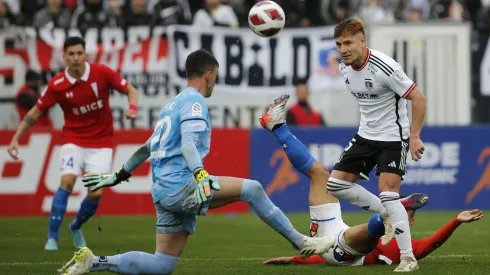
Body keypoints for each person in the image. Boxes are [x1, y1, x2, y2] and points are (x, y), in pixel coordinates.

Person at [57, 49, 335, 275]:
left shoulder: (171, 104)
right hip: (182, 187)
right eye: (215, 77)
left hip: (163, 192)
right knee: (253, 189)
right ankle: (302, 243)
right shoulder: (194, 102)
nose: (214, 81)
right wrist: (201, 176)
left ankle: (93, 262)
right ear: (209, 74)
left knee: (162, 264)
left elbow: (146, 148)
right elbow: (189, 145)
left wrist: (117, 175)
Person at [259, 97, 483, 268]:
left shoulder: (407, 247)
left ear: (408, 224)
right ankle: (277, 127)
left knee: (370, 233)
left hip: (344, 251)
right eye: (401, 211)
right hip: (329, 235)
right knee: (320, 174)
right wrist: (295, 260)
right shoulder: (401, 245)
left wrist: (457, 220)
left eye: (405, 215)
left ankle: (384, 215)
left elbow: (431, 244)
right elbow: (323, 257)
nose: (404, 217)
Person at [7, 36, 139, 251]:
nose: (76, 58)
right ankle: (52, 238)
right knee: (67, 181)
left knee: (96, 192)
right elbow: (35, 113)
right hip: (73, 139)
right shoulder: (57, 84)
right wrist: (15, 139)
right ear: (65, 57)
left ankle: (75, 226)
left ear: (85, 55)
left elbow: (131, 90)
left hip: (101, 142)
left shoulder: (102, 73)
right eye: (71, 54)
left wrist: (132, 107)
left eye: (79, 53)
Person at [324, 18, 427, 271]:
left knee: (388, 193)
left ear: (362, 41)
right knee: (335, 185)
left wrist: (414, 136)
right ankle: (391, 212)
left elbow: (418, 98)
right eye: (338, 44)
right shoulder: (344, 68)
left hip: (393, 137)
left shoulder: (385, 67)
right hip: (366, 135)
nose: (343, 49)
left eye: (348, 43)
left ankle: (407, 257)